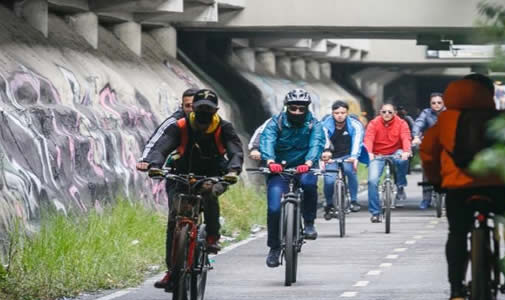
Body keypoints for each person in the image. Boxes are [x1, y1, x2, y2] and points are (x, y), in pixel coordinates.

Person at [420, 74, 505, 300]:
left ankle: (457, 291)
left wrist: (438, 181)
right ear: (488, 94)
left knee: (457, 234)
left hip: (459, 189)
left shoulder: (445, 120)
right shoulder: (502, 118)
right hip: (498, 186)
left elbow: (428, 152)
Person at [137, 89, 244, 288]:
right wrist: (154, 166)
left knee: (210, 192)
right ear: (192, 108)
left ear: (216, 110)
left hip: (214, 175)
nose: (204, 113)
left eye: (208, 110)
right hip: (181, 175)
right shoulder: (180, 125)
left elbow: (235, 152)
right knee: (174, 219)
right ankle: (172, 271)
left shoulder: (224, 127)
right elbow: (161, 147)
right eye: (200, 108)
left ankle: (212, 236)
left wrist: (233, 171)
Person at [259, 88, 325, 268]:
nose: (297, 112)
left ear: (307, 109)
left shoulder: (314, 125)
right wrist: (270, 160)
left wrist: (310, 162)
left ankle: (309, 223)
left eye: (301, 109)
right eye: (293, 108)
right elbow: (267, 140)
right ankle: (274, 247)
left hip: (305, 167)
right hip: (279, 169)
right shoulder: (276, 122)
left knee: (308, 184)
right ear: (287, 107)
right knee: (274, 208)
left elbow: (316, 143)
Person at [364, 103, 412, 223]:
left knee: (403, 160)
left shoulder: (401, 123)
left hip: (396, 151)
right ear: (380, 112)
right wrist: (369, 153)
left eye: (390, 112)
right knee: (372, 181)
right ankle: (375, 212)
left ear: (395, 113)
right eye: (384, 112)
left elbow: (406, 138)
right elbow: (368, 138)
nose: (386, 114)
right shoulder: (374, 123)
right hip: (377, 154)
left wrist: (406, 151)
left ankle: (400, 184)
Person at [321, 100, 368, 219]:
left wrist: (354, 157)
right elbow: (323, 141)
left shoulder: (355, 125)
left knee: (350, 172)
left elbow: (357, 141)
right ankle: (329, 204)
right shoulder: (324, 125)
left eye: (343, 112)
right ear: (332, 113)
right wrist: (326, 155)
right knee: (329, 181)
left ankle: (353, 201)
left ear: (347, 113)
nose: (340, 115)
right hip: (331, 157)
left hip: (348, 156)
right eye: (337, 113)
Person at [412, 92, 446, 209]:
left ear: (444, 103)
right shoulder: (426, 113)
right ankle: (426, 199)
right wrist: (416, 136)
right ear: (430, 104)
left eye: (439, 102)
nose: (436, 105)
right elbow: (418, 124)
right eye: (433, 103)